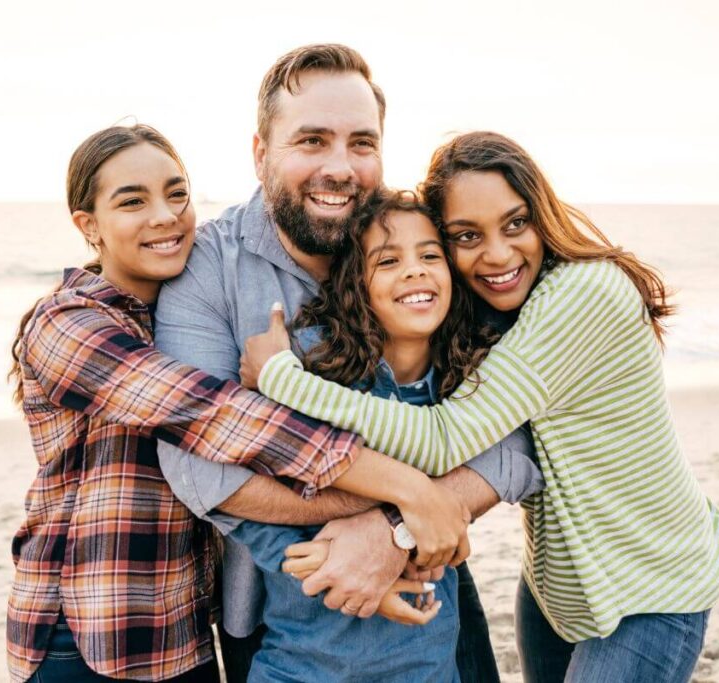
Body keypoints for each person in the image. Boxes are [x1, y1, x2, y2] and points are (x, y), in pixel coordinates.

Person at [241, 131, 719, 683]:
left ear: (541, 213)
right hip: (560, 590)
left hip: (653, 585)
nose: (497, 253)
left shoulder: (584, 294)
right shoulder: (497, 310)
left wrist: (283, 379)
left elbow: (443, 439)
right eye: (467, 236)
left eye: (515, 223)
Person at [5, 124, 469, 683]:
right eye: (132, 201)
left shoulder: (180, 312)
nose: (165, 216)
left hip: (187, 631)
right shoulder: (69, 324)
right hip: (86, 631)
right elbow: (214, 416)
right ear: (88, 225)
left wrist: (393, 525)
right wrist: (411, 493)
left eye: (177, 195)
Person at [155, 45, 543, 683]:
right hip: (282, 616)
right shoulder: (207, 269)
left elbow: (519, 430)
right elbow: (197, 465)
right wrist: (393, 506)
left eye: (362, 142)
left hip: (427, 583)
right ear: (261, 152)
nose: (341, 167)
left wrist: (394, 531)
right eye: (312, 140)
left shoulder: (419, 243)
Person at [233, 190, 535, 682]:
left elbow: (519, 457)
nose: (414, 270)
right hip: (300, 662)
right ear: (357, 282)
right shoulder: (312, 365)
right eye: (388, 260)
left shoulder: (474, 384)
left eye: (430, 255)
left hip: (425, 664)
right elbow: (244, 490)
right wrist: (329, 570)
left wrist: (404, 536)